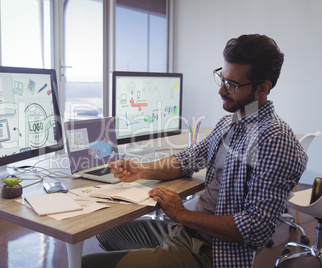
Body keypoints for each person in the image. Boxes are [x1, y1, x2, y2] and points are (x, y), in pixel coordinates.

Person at [82, 34, 308, 268]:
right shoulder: (229, 124)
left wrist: (182, 214)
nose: (221, 90)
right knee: (107, 232)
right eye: (222, 79)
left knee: (88, 264)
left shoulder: (275, 140)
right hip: (188, 231)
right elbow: (188, 160)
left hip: (214, 251)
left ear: (263, 88)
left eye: (232, 85)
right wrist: (140, 170)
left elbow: (256, 229)